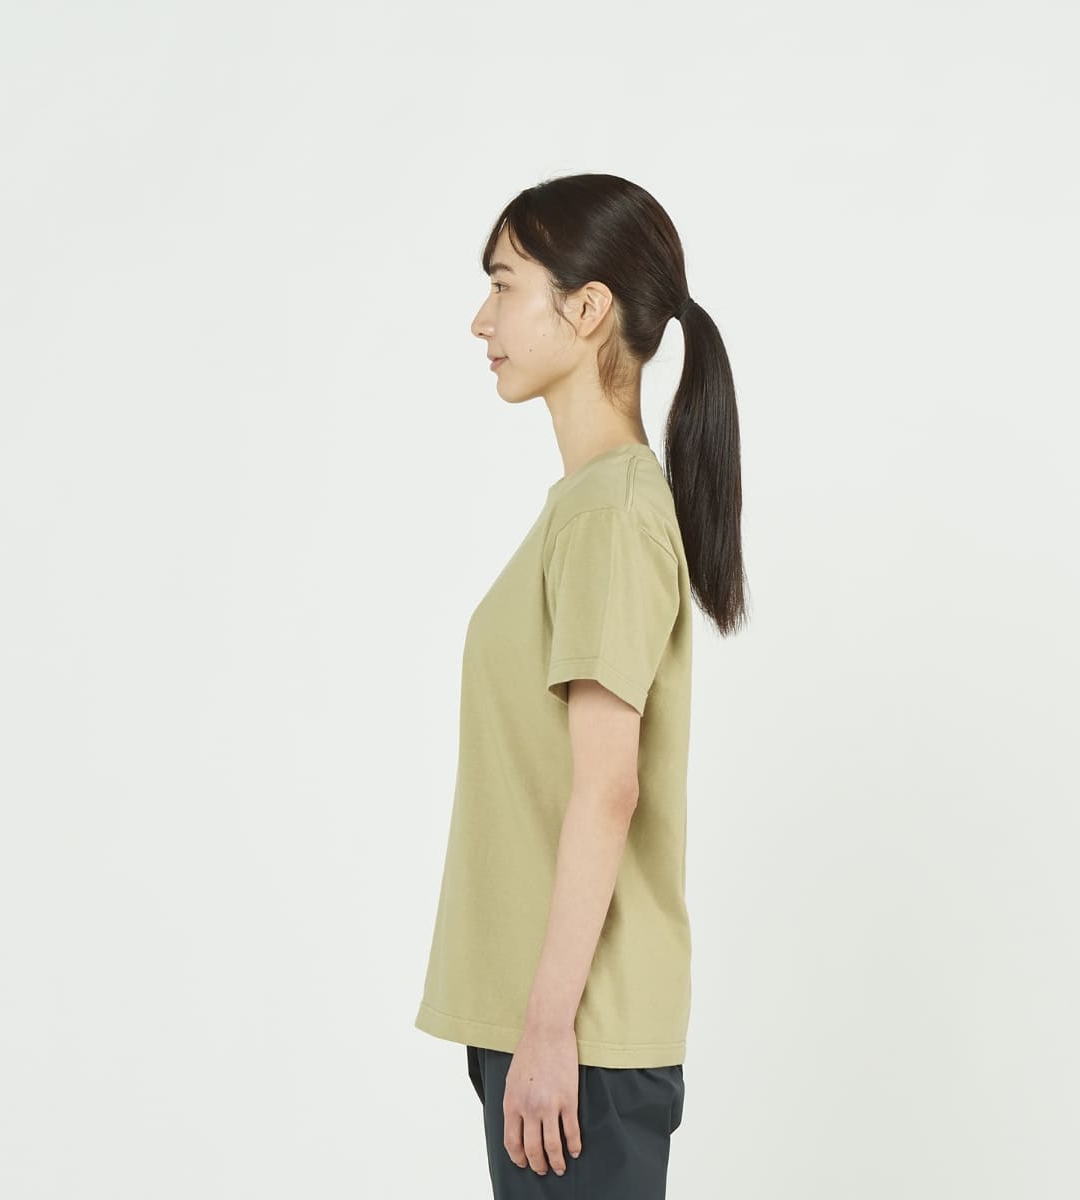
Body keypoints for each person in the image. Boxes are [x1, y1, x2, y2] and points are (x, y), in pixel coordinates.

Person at [414, 172, 748, 1197]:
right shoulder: (590, 507)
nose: (482, 320)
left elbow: (608, 786)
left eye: (503, 285)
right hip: (552, 1028)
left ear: (588, 306)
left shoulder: (610, 514)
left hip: (576, 1038)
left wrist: (550, 1026)